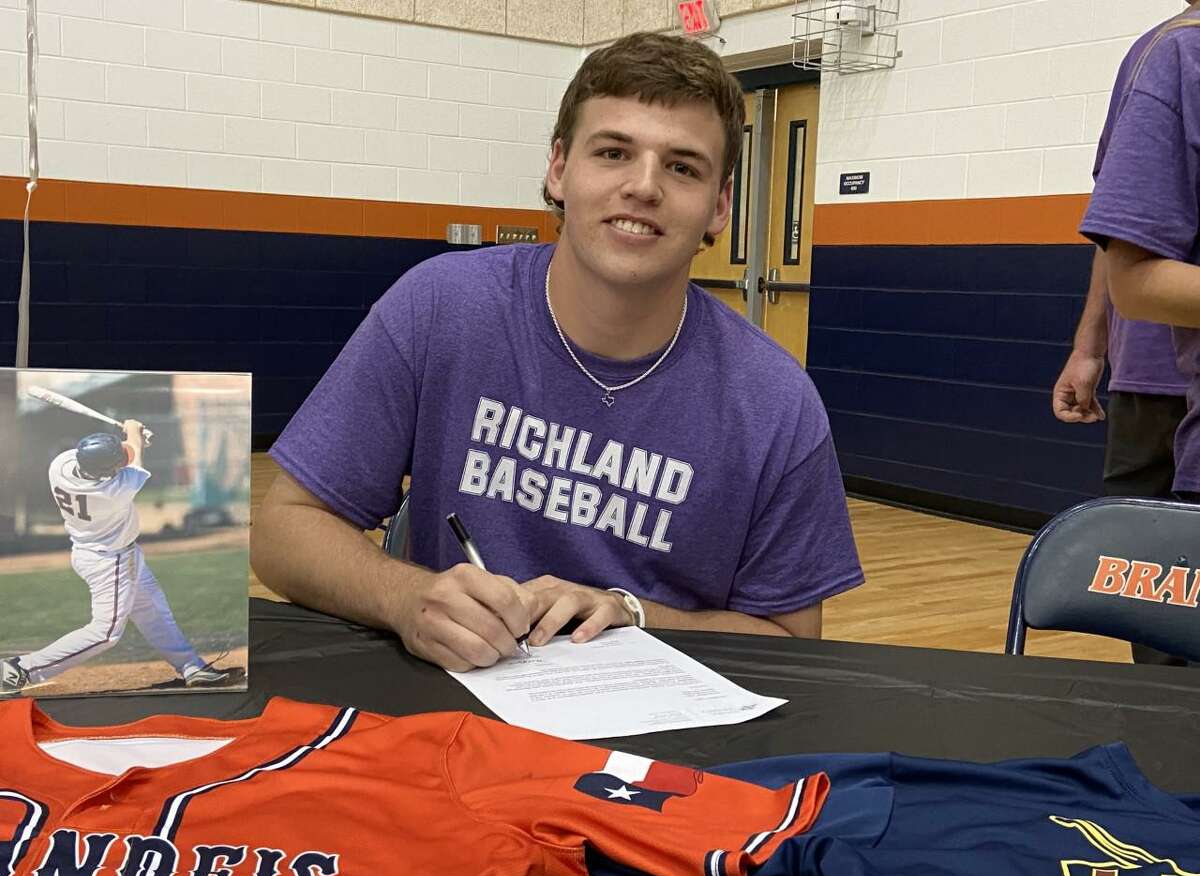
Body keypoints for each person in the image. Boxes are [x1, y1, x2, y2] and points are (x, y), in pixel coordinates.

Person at [251, 32, 864, 672]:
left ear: (719, 207)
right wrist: (407, 598)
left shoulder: (775, 400)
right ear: (559, 169)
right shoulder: (441, 307)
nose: (644, 186)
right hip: (452, 709)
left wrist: (636, 614)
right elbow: (282, 532)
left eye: (683, 166)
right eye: (614, 152)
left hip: (661, 737)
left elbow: (795, 647)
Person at [1052, 5, 1192, 665]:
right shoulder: (1165, 55)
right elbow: (1121, 227)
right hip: (1154, 374)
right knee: (1154, 594)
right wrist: (1089, 349)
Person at [0, 421, 243, 695]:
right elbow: (134, 457)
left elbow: (119, 456)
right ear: (105, 471)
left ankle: (192, 667)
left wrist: (127, 439)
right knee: (105, 633)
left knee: (153, 610)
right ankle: (20, 669)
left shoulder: (60, 464)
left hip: (95, 552)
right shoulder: (113, 491)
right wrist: (134, 432)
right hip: (110, 563)